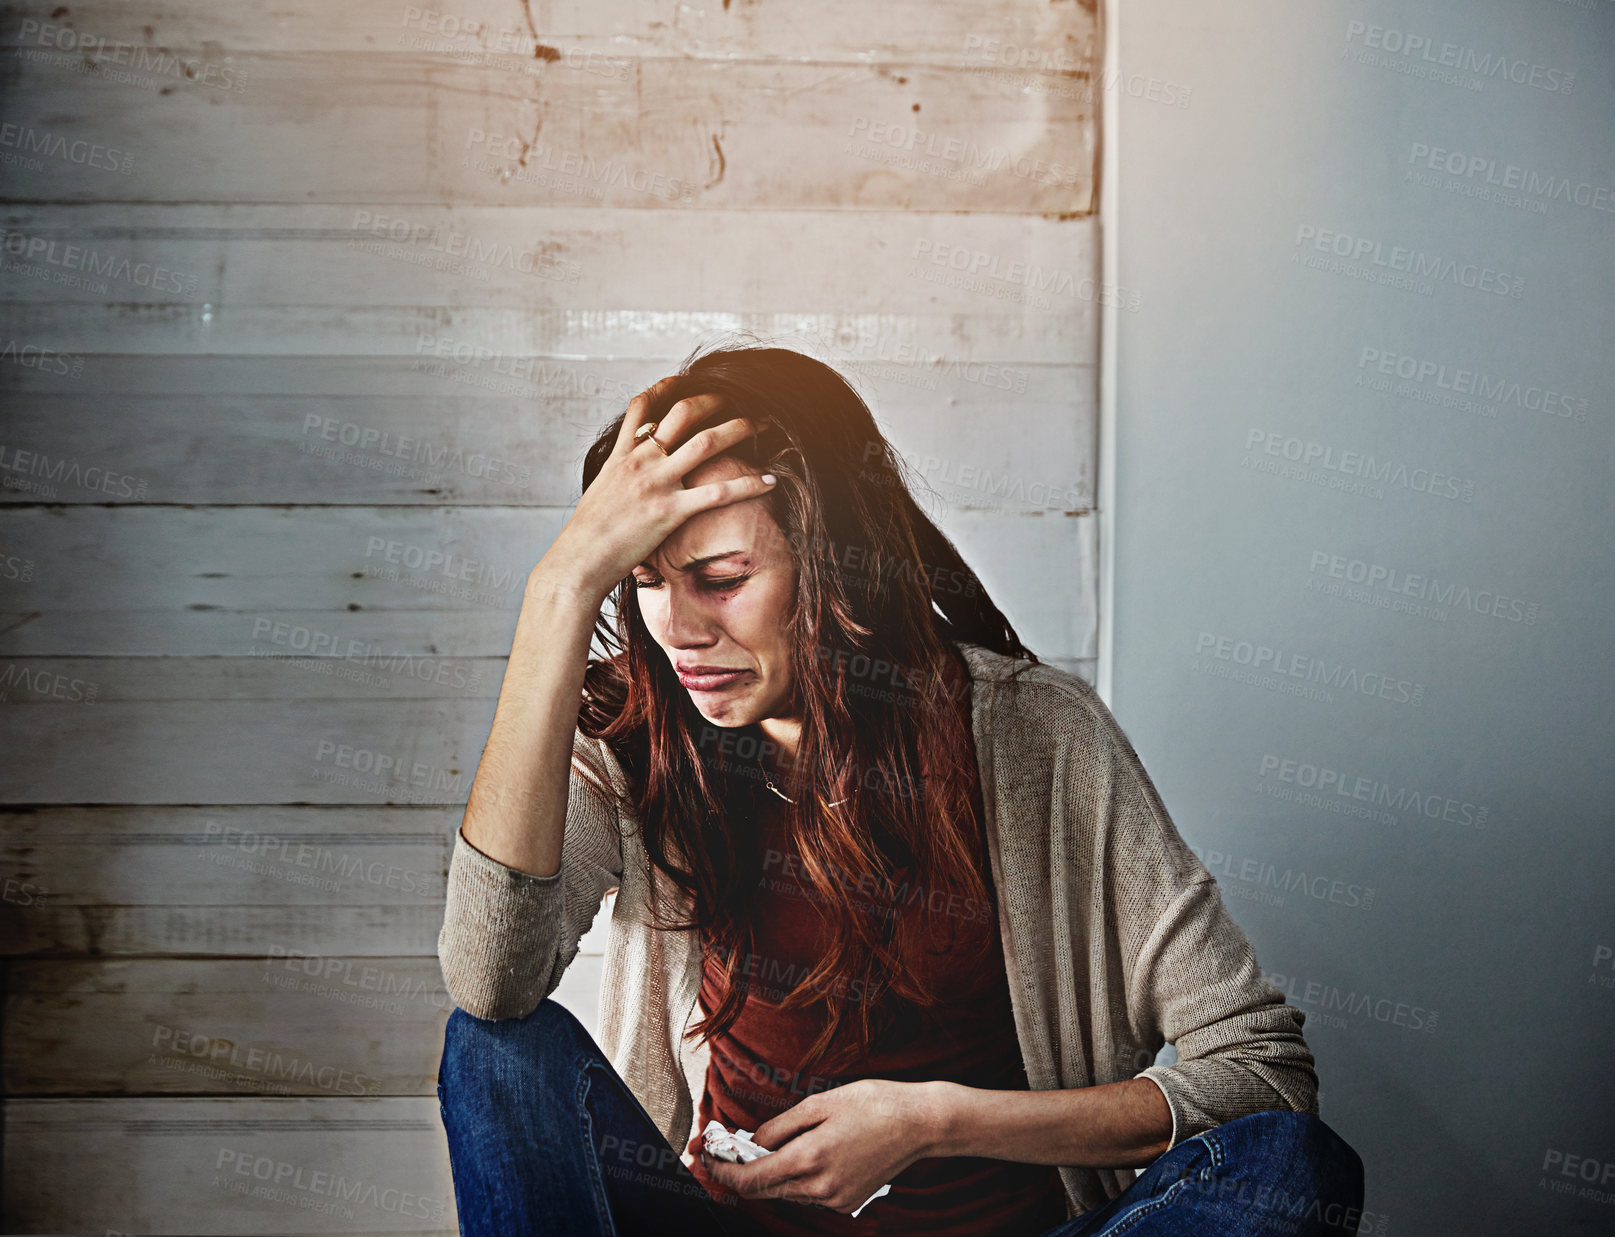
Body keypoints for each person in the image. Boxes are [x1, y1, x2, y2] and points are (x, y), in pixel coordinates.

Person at [435, 344, 1365, 1235]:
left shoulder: (1035, 735)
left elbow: (1262, 1071)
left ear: (834, 564)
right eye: (640, 580)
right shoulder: (640, 741)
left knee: (1288, 1167)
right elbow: (489, 979)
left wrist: (936, 1120)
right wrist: (556, 589)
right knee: (495, 1051)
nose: (677, 628)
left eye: (720, 579)